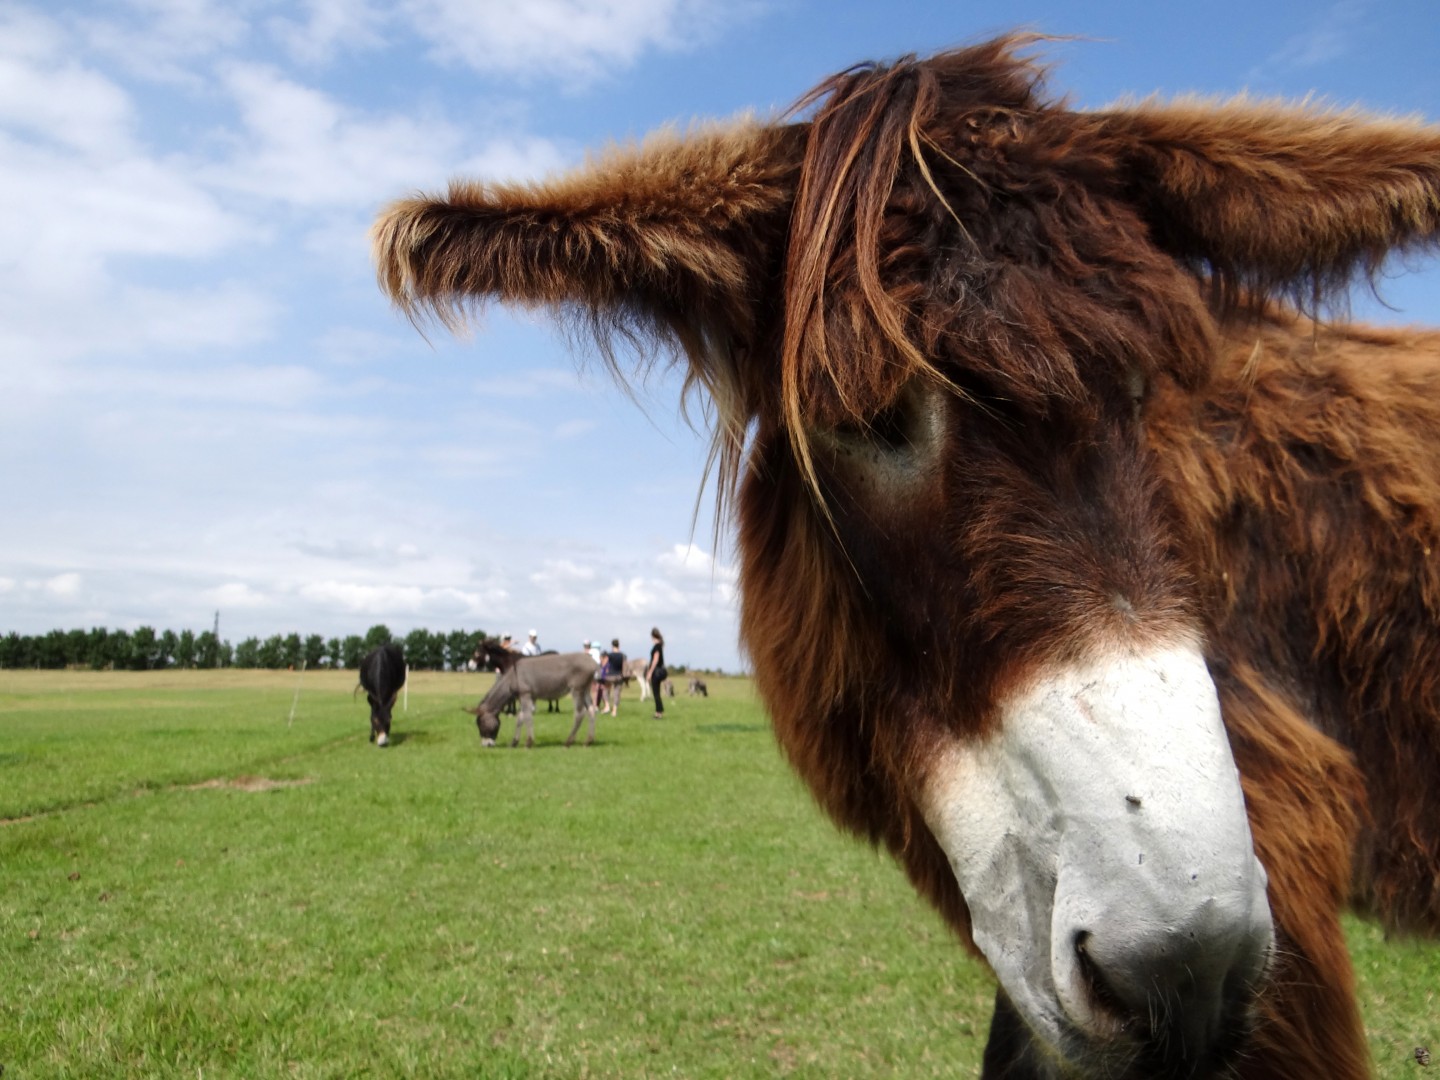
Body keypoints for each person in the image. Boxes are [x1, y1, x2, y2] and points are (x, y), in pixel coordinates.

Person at [646, 627, 667, 718]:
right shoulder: (660, 646)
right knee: (656, 692)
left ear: (652, 636)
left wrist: (650, 672)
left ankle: (658, 713)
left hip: (656, 672)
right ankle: (659, 711)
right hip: (659, 670)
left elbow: (655, 660)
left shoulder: (657, 646)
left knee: (656, 692)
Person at [601, 638, 626, 715]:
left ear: (612, 645)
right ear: (619, 645)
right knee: (617, 693)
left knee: (605, 690)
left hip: (610, 676)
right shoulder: (622, 655)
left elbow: (604, 664)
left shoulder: (609, 655)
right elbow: (624, 666)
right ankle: (614, 710)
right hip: (618, 675)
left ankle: (607, 706)